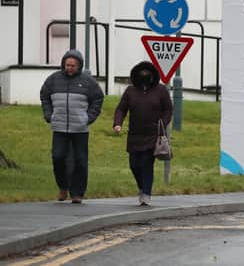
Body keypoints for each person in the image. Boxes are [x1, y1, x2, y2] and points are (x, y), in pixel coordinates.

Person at [40, 49, 104, 204]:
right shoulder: (53, 80)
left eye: (73, 66)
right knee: (58, 157)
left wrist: (88, 118)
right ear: (63, 64)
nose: (69, 68)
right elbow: (44, 96)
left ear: (79, 66)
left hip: (80, 129)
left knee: (81, 160)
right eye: (67, 65)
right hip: (59, 127)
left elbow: (98, 99)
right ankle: (63, 186)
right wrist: (49, 115)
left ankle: (77, 194)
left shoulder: (88, 82)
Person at [113, 61, 173, 206]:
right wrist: (117, 123)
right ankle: (141, 187)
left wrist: (162, 124)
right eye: (141, 73)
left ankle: (146, 193)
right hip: (134, 134)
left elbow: (168, 109)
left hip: (153, 134)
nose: (144, 75)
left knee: (146, 163)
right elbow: (121, 109)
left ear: (153, 75)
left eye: (147, 73)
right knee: (134, 165)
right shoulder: (130, 91)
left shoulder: (160, 90)